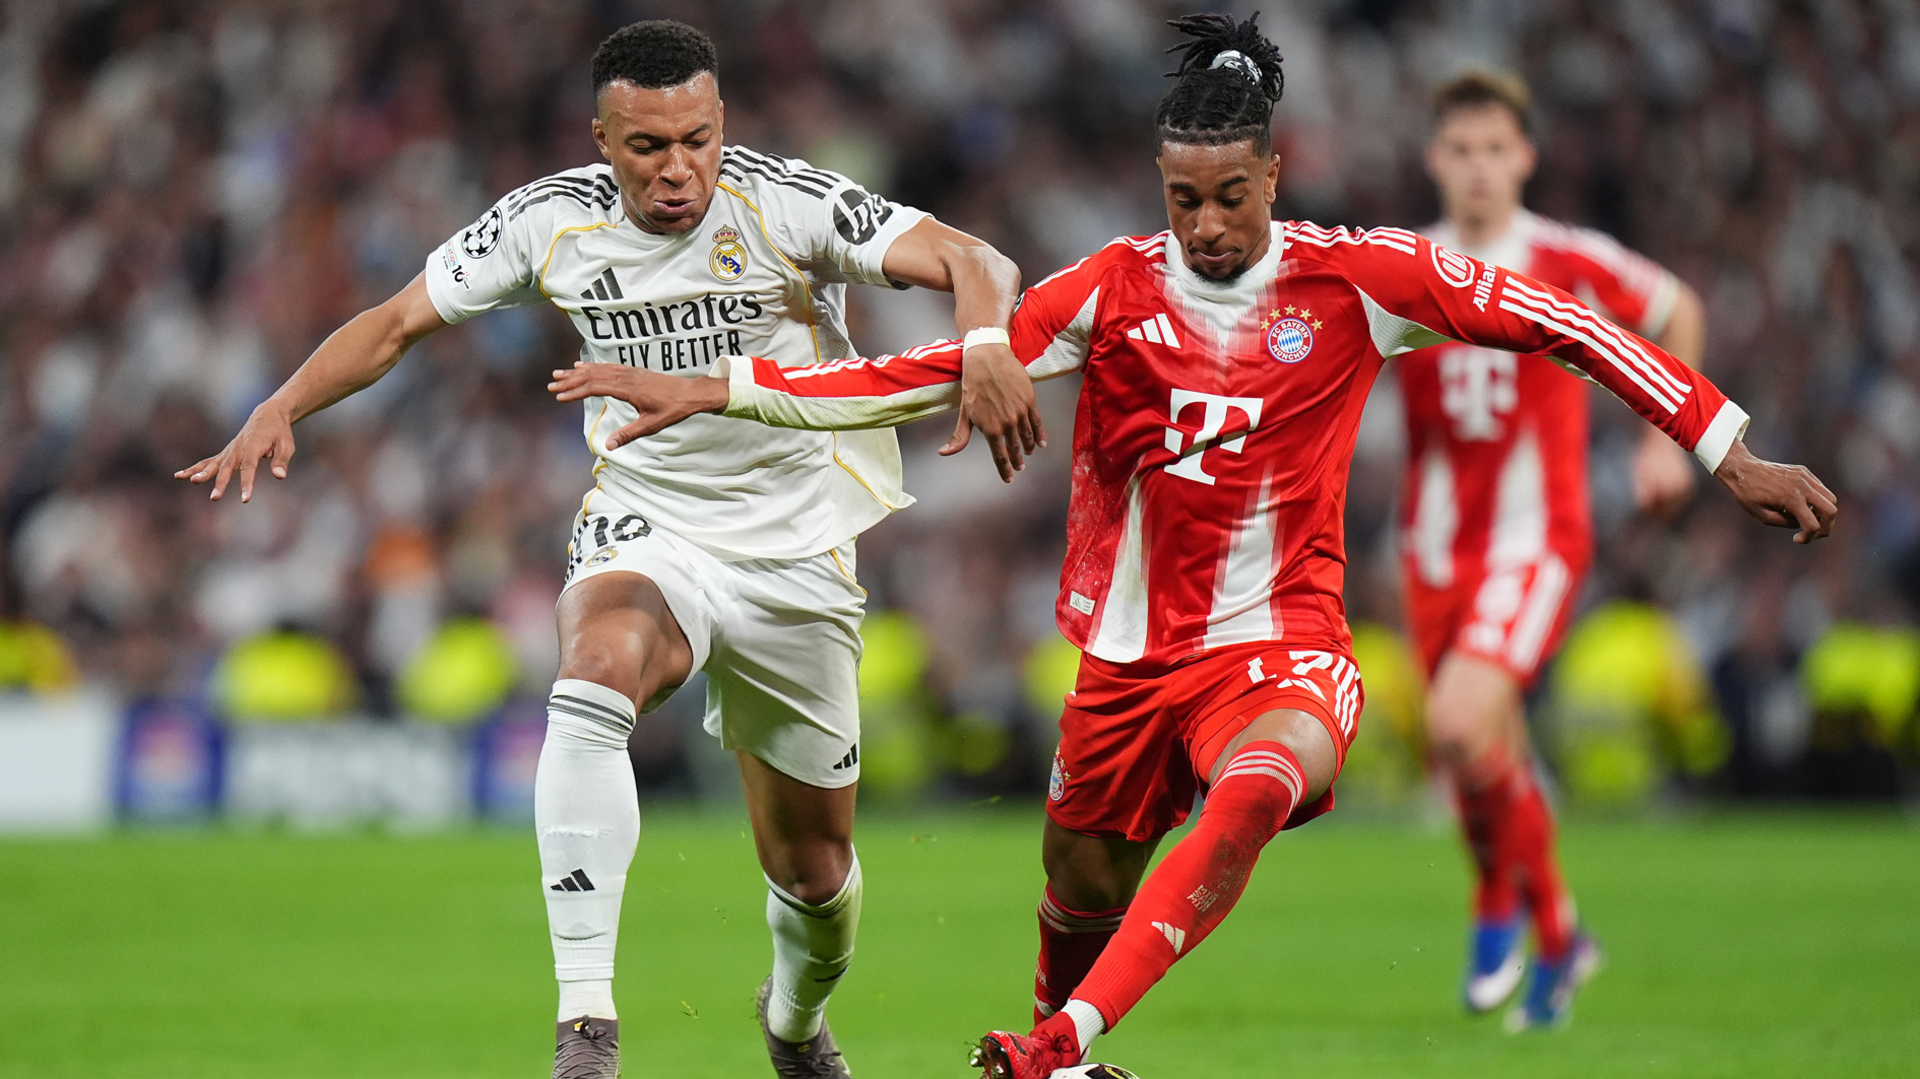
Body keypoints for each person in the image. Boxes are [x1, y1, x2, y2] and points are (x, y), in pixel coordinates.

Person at [552, 15, 1837, 1077]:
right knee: (1077, 879)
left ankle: (1062, 1041)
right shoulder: (1110, 288)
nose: (1208, 224)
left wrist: (1729, 447)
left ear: (1273, 177)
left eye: (1230, 197)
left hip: (1282, 646)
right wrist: (719, 389)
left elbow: (1564, 321)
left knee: (1259, 785)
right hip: (1123, 664)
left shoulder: (1362, 278)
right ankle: (1064, 1050)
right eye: (1183, 199)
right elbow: (908, 372)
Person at [176, 20, 1039, 1079]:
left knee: (813, 873)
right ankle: (587, 1025)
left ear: (722, 126)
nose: (679, 168)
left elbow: (973, 258)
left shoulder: (788, 201)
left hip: (797, 549)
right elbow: (398, 321)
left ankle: (795, 1017)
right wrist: (283, 402)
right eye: (647, 146)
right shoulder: (548, 223)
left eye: (698, 139)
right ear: (602, 139)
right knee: (593, 670)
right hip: (651, 520)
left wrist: (988, 339)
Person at [1395, 69, 1709, 1028]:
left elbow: (1676, 307)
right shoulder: (1402, 261)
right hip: (1432, 546)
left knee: (1459, 725)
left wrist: (1667, 439)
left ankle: (1501, 904)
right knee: (1486, 752)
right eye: (1462, 150)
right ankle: (1564, 936)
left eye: (1497, 150)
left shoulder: (1565, 256)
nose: (1479, 168)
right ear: (1434, 158)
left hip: (1535, 538)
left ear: (1525, 157)